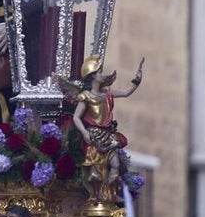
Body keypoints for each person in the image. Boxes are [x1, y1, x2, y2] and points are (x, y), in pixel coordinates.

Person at [55, 55, 144, 201]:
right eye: (100, 72)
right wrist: (84, 132)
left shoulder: (107, 93)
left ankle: (110, 192)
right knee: (96, 169)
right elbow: (76, 117)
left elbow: (126, 92)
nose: (103, 75)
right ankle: (96, 195)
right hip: (94, 136)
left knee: (115, 164)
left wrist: (137, 80)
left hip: (108, 136)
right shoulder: (86, 97)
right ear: (93, 76)